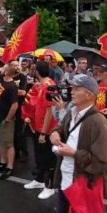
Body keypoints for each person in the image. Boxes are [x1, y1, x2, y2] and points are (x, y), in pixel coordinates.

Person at [46, 74, 107, 213]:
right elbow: (60, 128)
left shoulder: (98, 122)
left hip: (84, 184)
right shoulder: (72, 111)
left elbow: (102, 162)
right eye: (72, 88)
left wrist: (74, 154)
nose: (71, 92)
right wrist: (55, 133)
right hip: (67, 180)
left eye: (76, 89)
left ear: (90, 95)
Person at [22, 61, 60, 199]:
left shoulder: (49, 86)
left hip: (47, 130)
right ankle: (39, 180)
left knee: (48, 159)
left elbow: (50, 112)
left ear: (37, 71)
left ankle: (50, 186)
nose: (31, 71)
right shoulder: (42, 85)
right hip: (38, 126)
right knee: (39, 157)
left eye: (33, 69)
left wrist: (44, 133)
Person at [0, 63, 20, 180]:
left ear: (7, 72)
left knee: (8, 144)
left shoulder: (12, 86)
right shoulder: (2, 80)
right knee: (1, 142)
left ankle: (9, 167)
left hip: (5, 118)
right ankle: (2, 163)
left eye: (4, 68)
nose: (1, 69)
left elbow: (15, 105)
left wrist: (7, 119)